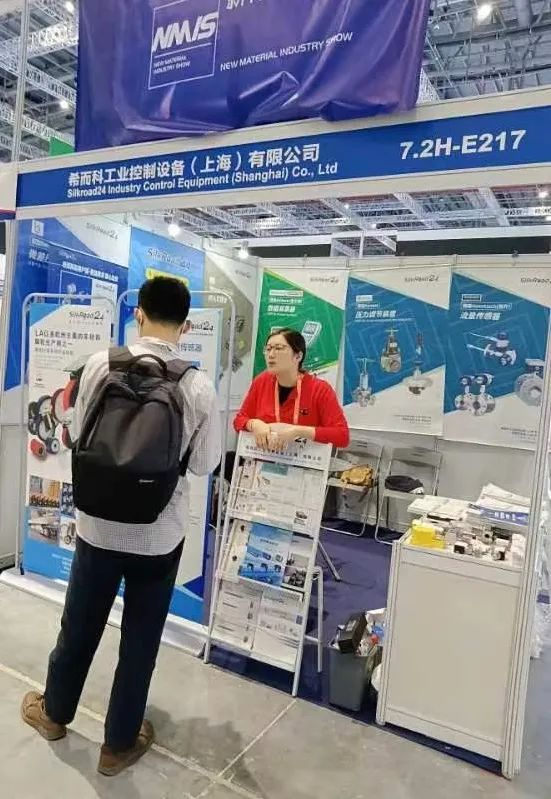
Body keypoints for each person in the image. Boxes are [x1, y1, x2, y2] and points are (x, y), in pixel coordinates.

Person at [21, 277, 221, 777]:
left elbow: (74, 432)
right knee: (141, 639)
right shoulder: (196, 385)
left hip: (97, 528)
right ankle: (117, 744)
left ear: (138, 314)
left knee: (80, 624)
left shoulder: (98, 365)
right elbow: (204, 464)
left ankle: (54, 714)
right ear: (187, 326)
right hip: (160, 535)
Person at [234, 328, 349, 450]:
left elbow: (342, 435)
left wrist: (298, 431)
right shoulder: (261, 381)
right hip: (264, 458)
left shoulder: (319, 389)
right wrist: (254, 424)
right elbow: (239, 420)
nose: (271, 355)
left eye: (279, 348)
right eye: (268, 349)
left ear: (298, 356)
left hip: (304, 459)